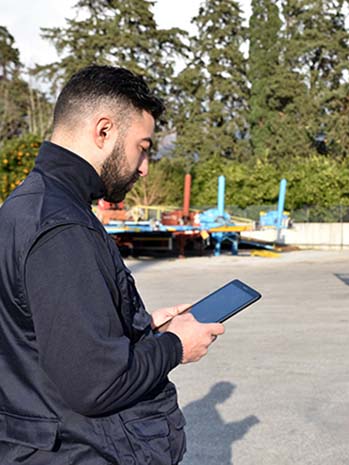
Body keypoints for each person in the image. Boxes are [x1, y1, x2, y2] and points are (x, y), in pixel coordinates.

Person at [0, 65, 225, 465]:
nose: (144, 168)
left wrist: (143, 328)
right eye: (143, 146)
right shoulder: (62, 227)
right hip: (79, 451)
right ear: (103, 131)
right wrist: (176, 346)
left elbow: (39, 334)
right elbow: (96, 384)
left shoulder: (26, 205)